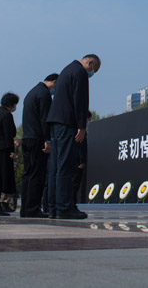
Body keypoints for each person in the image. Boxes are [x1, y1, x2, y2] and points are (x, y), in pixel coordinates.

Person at [46, 54, 100, 219]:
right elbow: (80, 100)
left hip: (56, 123)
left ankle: (53, 207)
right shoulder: (80, 72)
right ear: (90, 62)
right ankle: (65, 207)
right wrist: (81, 126)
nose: (92, 73)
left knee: (56, 167)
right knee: (66, 166)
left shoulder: (67, 70)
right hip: (67, 124)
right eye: (94, 70)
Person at [20, 74, 57, 218]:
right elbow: (45, 119)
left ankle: (25, 208)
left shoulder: (32, 92)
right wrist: (47, 140)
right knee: (37, 175)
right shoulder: (44, 94)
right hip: (37, 139)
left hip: (27, 138)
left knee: (28, 175)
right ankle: (33, 208)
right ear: (54, 82)